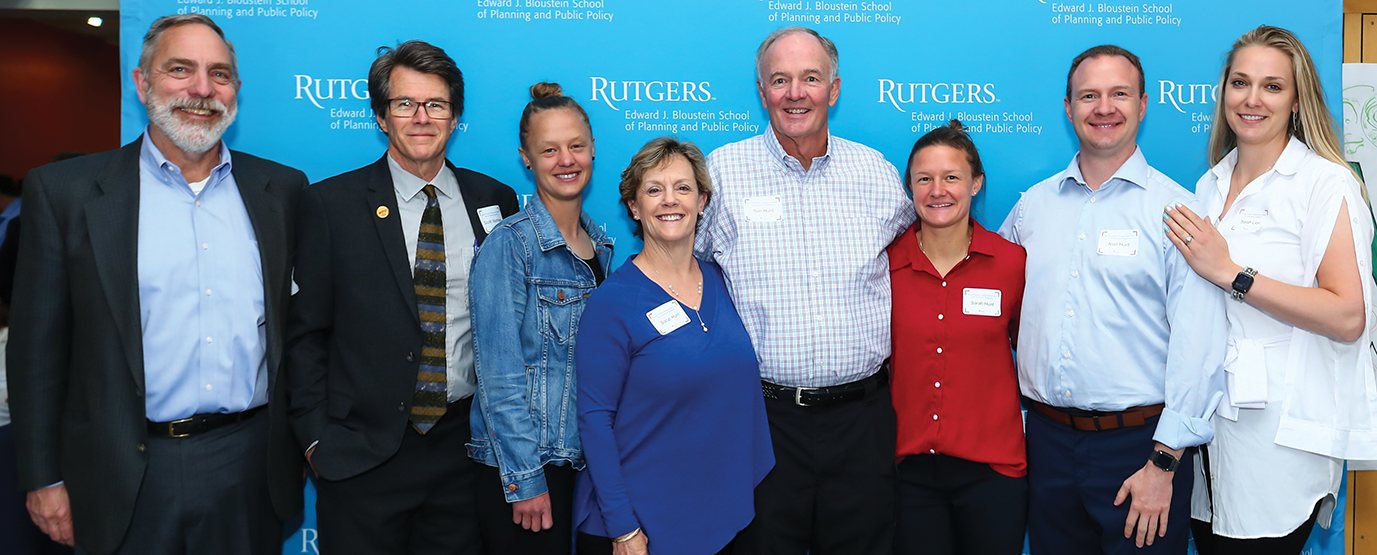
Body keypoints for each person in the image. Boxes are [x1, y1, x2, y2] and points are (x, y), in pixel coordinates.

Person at [7, 14, 307, 555]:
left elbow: (304, 330)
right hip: (120, 467)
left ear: (235, 90)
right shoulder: (66, 193)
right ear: (142, 83)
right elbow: (36, 353)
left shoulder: (281, 190)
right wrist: (43, 476)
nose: (201, 89)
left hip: (250, 465)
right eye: (179, 69)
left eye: (219, 74)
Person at [284, 40, 519, 554]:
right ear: (380, 115)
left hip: (465, 451)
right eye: (404, 104)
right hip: (362, 456)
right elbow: (303, 335)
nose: (421, 117)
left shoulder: (494, 201)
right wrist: (317, 440)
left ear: (455, 116)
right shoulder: (330, 205)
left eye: (436, 104)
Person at [997, 44, 1228, 555]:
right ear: (1068, 107)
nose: (1104, 108)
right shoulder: (1031, 209)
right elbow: (996, 307)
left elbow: (1201, 347)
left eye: (1119, 94)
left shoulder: (1178, 212)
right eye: (1089, 96)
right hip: (1047, 443)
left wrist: (1164, 463)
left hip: (1141, 449)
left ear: (1143, 104)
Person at [695, 26, 915, 554]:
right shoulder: (721, 173)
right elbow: (683, 271)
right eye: (781, 80)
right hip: (764, 423)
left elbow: (921, 255)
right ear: (762, 89)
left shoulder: (876, 173)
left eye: (810, 79)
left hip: (863, 421)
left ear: (833, 89)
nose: (796, 93)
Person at [1162, 25, 1377, 555]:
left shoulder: (1325, 184)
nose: (1252, 99)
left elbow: (1349, 316)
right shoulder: (1209, 185)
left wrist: (1235, 274)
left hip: (1281, 438)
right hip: (1209, 431)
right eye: (1240, 82)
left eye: (1272, 86)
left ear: (1298, 100)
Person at [574, 137, 773, 555]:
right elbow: (594, 419)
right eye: (653, 189)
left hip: (726, 516)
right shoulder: (613, 302)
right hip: (642, 525)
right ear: (633, 206)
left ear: (702, 201)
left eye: (683, 188)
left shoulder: (723, 280)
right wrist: (623, 528)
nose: (670, 200)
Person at [467, 82, 613, 555]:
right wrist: (526, 480)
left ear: (593, 149)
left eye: (575, 146)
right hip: (527, 471)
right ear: (526, 158)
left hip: (580, 464)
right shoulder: (510, 244)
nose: (565, 160)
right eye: (549, 150)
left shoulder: (602, 246)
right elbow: (498, 375)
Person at [889, 120, 1028, 555]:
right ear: (909, 186)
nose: (937, 190)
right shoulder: (884, 265)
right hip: (907, 473)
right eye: (924, 178)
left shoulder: (1011, 262)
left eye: (951, 177)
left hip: (993, 471)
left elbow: (1031, 349)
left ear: (976, 184)